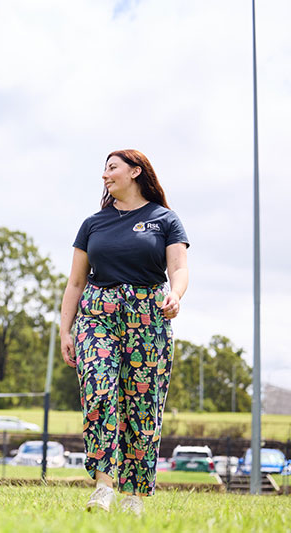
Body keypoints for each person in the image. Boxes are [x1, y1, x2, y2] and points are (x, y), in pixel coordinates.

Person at [60, 149, 189, 515]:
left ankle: (134, 495)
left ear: (135, 171)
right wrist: (65, 330)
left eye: (112, 168)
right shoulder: (93, 224)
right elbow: (75, 282)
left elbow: (178, 268)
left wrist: (175, 295)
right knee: (98, 390)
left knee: (142, 405)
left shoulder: (164, 219)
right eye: (104, 169)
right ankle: (104, 486)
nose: (105, 175)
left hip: (148, 317)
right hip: (97, 315)